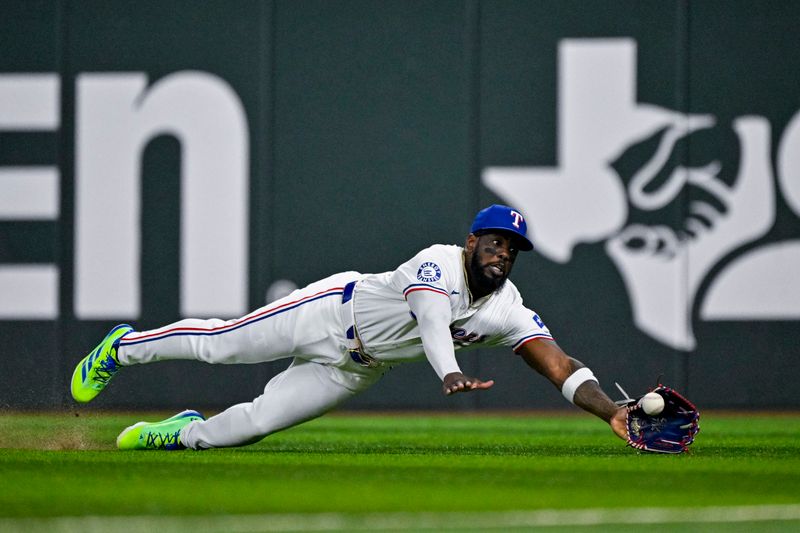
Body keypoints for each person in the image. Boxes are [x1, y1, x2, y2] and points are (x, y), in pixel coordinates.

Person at [71, 204, 628, 450]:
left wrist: (614, 410)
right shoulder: (439, 260)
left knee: (251, 427)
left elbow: (560, 365)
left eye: (513, 249)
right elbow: (433, 318)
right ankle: (122, 349)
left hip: (356, 369)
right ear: (472, 242)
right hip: (329, 312)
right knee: (220, 345)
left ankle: (181, 433)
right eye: (495, 241)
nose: (503, 253)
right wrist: (451, 371)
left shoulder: (507, 307)